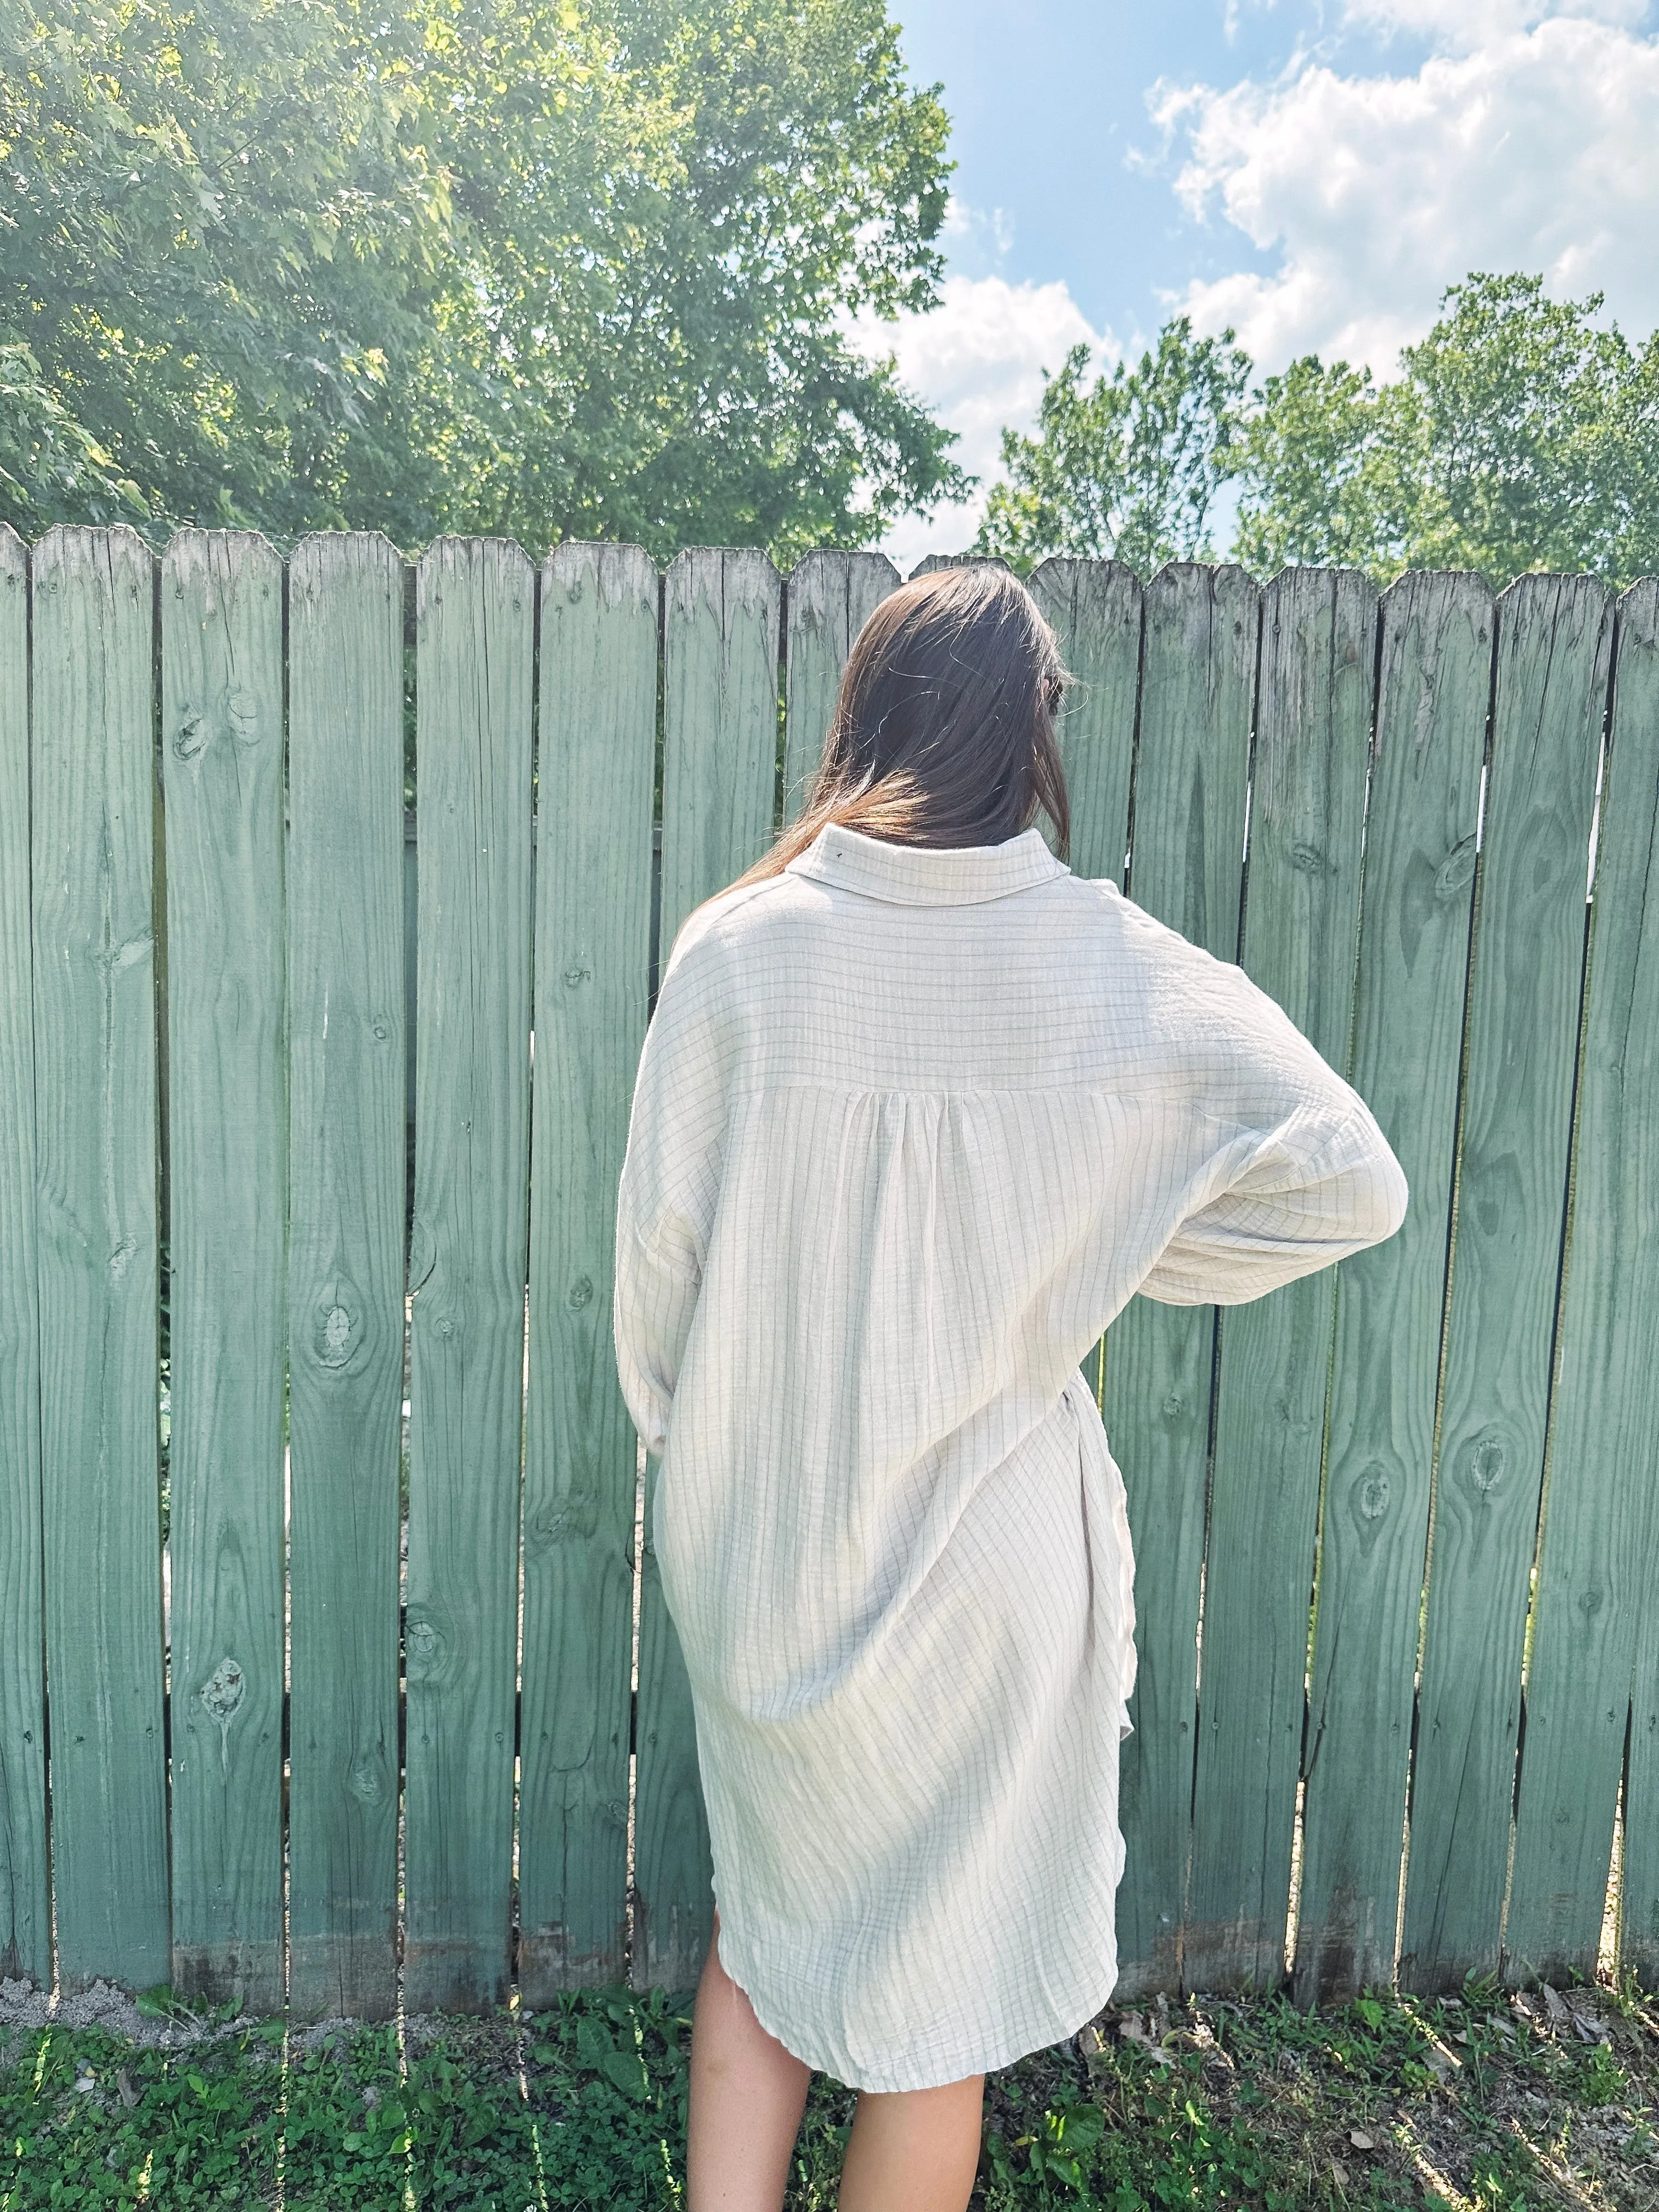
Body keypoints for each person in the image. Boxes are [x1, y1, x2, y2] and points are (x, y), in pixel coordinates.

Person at [612, 565, 1408, 2212]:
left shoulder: (739, 950)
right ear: (1035, 725)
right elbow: (1353, 1180)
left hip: (761, 1549)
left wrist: (724, 1467)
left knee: (763, 1934)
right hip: (989, 1586)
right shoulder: (1106, 963)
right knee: (936, 2025)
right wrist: (1097, 1248)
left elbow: (658, 1292)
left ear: (866, 712)